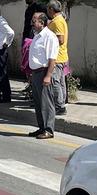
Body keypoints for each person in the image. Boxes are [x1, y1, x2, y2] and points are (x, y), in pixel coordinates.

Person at [26, 11, 59, 139]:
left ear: (42, 22)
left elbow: (52, 59)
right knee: (38, 102)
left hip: (44, 72)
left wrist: (48, 76)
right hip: (36, 72)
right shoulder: (37, 36)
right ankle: (41, 127)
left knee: (46, 102)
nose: (32, 23)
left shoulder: (49, 36)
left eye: (34, 21)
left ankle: (48, 129)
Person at [45, 0, 69, 114]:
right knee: (60, 81)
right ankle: (61, 103)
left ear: (51, 9)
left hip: (57, 57)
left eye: (47, 8)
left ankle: (59, 106)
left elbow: (60, 39)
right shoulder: (58, 20)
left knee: (55, 81)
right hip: (61, 56)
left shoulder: (58, 21)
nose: (47, 11)